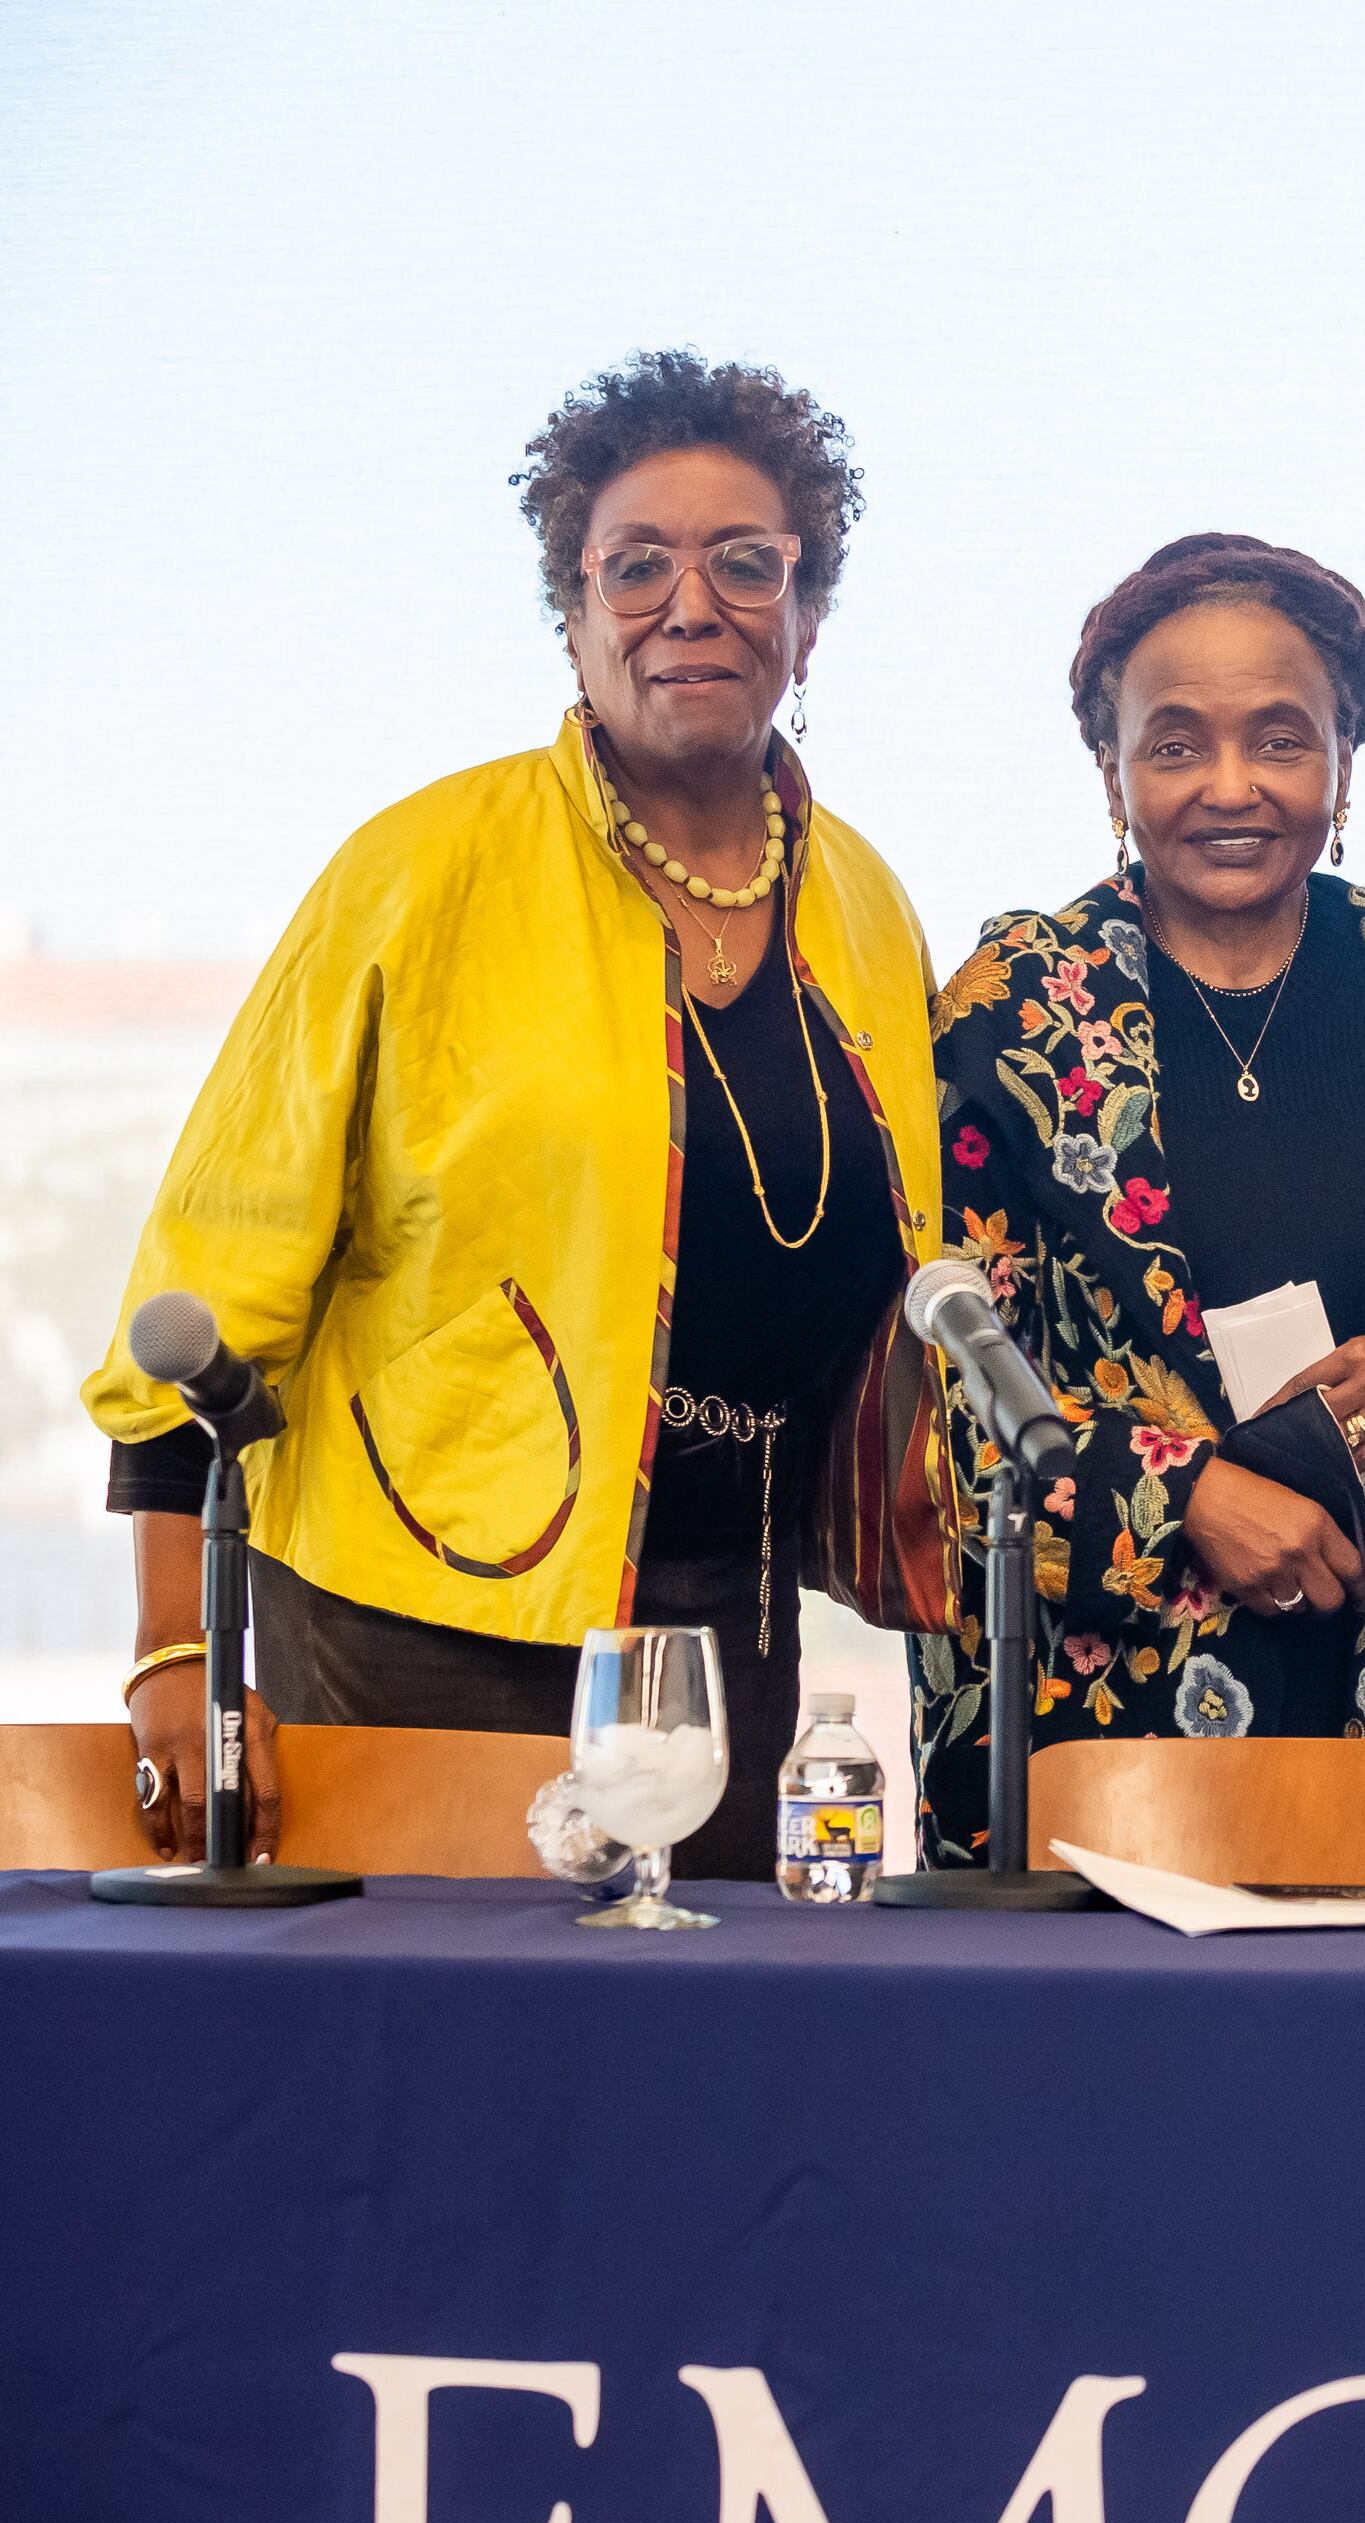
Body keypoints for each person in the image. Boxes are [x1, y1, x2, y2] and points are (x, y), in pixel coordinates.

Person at [84, 351, 937, 1881]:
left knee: (698, 2076)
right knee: (436, 2077)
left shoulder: (868, 906)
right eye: (637, 565)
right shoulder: (419, 871)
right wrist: (171, 1654)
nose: (695, 603)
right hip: (424, 1620)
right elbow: (206, 1296)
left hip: (724, 1635)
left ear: (808, 621)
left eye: (749, 563)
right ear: (574, 612)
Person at [914, 536, 1365, 1857]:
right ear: (1114, 767)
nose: (1232, 786)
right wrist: (1186, 1496)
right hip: (1094, 1728)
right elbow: (950, 1399)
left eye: (1281, 740)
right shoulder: (1010, 1015)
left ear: (1345, 760)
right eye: (1178, 744)